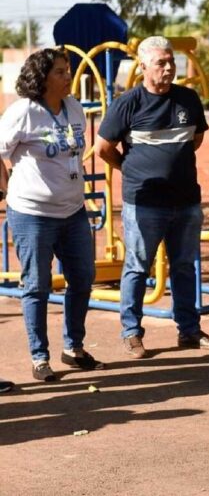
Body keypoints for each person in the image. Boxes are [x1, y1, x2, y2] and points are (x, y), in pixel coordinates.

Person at [95, 36, 209, 358]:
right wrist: (132, 168)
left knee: (184, 266)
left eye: (171, 61)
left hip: (186, 201)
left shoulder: (188, 99)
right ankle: (132, 332)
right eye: (161, 63)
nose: (168, 68)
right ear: (143, 66)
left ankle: (189, 330)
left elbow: (195, 138)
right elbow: (103, 149)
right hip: (144, 204)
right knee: (137, 267)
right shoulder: (128, 104)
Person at [0, 48, 102, 381]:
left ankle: (73, 348)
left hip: (73, 210)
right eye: (60, 71)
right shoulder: (23, 112)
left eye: (67, 70)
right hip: (32, 213)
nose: (67, 76)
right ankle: (39, 357)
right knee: (37, 286)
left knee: (83, 278)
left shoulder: (74, 107)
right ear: (43, 78)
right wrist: (4, 189)